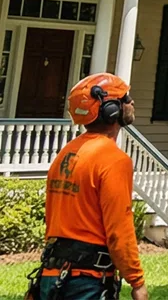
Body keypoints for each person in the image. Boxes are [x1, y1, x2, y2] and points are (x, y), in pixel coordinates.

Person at [32, 74, 148, 300]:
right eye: (125, 98)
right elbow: (119, 229)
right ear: (111, 110)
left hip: (52, 274)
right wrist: (136, 282)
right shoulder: (114, 160)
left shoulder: (66, 154)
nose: (132, 102)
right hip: (86, 281)